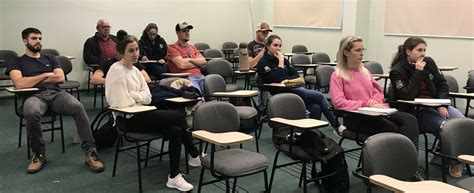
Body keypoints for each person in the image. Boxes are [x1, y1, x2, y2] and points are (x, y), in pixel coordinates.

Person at [105, 35, 202, 191]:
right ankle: (194, 154)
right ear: (121, 53)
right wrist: (138, 96)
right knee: (178, 117)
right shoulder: (116, 70)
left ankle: (174, 176)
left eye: (136, 49)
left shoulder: (135, 70)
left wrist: (133, 95)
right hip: (128, 120)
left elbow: (148, 96)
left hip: (143, 113)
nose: (135, 53)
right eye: (130, 50)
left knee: (175, 130)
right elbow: (122, 102)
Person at [6, 27, 104, 174]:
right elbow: (19, 83)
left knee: (77, 106)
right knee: (31, 112)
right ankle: (39, 154)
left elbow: (60, 78)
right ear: (25, 41)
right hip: (33, 96)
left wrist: (31, 79)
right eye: (34, 38)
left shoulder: (50, 58)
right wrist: (45, 74)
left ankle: (90, 152)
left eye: (40, 38)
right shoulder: (16, 61)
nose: (38, 41)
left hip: (56, 94)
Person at [389, 36, 465, 178]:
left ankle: (451, 155)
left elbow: (442, 85)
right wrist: (418, 72)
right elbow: (407, 96)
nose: (423, 53)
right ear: (408, 51)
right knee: (445, 127)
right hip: (416, 110)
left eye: (424, 50)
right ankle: (453, 161)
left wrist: (441, 104)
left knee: (463, 123)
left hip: (436, 105)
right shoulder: (397, 71)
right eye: (419, 50)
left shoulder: (429, 62)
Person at [330, 36, 419, 149]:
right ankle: (397, 161)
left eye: (363, 50)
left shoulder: (365, 72)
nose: (361, 54)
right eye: (357, 50)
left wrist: (375, 101)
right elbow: (339, 103)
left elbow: (378, 92)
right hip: (356, 117)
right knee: (394, 129)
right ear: (346, 52)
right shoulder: (338, 75)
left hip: (376, 111)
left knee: (410, 120)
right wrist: (365, 103)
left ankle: (409, 160)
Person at [257, 34, 343, 131]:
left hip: (292, 87)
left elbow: (296, 75)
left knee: (315, 106)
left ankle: (311, 133)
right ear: (268, 46)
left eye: (280, 46)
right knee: (319, 95)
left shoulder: (284, 60)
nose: (278, 48)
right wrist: (280, 62)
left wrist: (287, 79)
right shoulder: (263, 63)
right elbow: (278, 78)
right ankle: (337, 126)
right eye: (275, 45)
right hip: (280, 91)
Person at [166, 22, 207, 93]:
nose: (187, 33)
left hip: (201, 76)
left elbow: (204, 61)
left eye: (188, 31)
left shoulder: (192, 47)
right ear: (177, 33)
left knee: (215, 90)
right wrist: (197, 62)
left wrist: (189, 59)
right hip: (186, 79)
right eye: (184, 31)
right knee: (198, 97)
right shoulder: (172, 48)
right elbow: (182, 65)